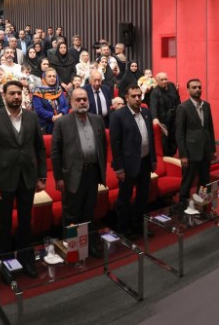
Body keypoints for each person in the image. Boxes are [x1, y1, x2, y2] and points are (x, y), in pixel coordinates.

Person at [0, 81, 47, 279]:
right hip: (4, 179)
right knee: (4, 224)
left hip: (28, 178)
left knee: (26, 222)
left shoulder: (31, 117)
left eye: (19, 93)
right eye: (12, 93)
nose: (16, 96)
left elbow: (40, 149)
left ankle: (26, 261)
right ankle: (6, 265)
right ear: (4, 96)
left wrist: (42, 176)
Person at [50, 88, 107, 258]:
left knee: (89, 212)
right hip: (72, 176)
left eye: (84, 99)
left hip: (92, 173)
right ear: (71, 102)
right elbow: (55, 153)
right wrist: (59, 178)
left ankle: (88, 245)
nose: (82, 102)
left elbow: (103, 146)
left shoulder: (97, 120)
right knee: (72, 214)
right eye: (78, 99)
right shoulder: (62, 123)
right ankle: (73, 249)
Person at [110, 84, 156, 236]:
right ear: (126, 98)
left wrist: (153, 159)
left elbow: (151, 137)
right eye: (133, 96)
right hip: (128, 165)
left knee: (143, 197)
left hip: (145, 162)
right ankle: (123, 229)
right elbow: (115, 144)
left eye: (139, 95)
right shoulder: (118, 116)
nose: (137, 99)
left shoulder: (146, 112)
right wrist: (119, 168)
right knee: (125, 198)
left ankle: (139, 226)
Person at [175, 79, 216, 207]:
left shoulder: (206, 105)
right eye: (194, 87)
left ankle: (202, 204)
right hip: (190, 151)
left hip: (205, 150)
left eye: (199, 87)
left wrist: (213, 149)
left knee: (204, 180)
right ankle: (183, 205)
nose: (197, 89)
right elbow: (179, 133)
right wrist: (183, 155)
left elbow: (210, 129)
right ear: (188, 90)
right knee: (188, 181)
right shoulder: (183, 107)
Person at [150, 72, 181, 156]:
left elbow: (178, 99)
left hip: (174, 116)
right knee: (165, 140)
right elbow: (153, 106)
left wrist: (180, 111)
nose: (164, 81)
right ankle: (165, 157)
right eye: (162, 80)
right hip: (163, 118)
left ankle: (172, 155)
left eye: (165, 79)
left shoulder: (172, 85)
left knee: (174, 138)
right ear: (157, 81)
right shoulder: (155, 92)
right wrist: (154, 118)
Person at [32, 68, 69, 134]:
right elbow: (39, 109)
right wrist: (52, 116)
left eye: (54, 76)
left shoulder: (59, 90)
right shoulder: (38, 92)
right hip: (45, 125)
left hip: (61, 123)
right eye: (49, 76)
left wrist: (61, 114)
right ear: (44, 78)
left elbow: (66, 105)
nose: (52, 78)